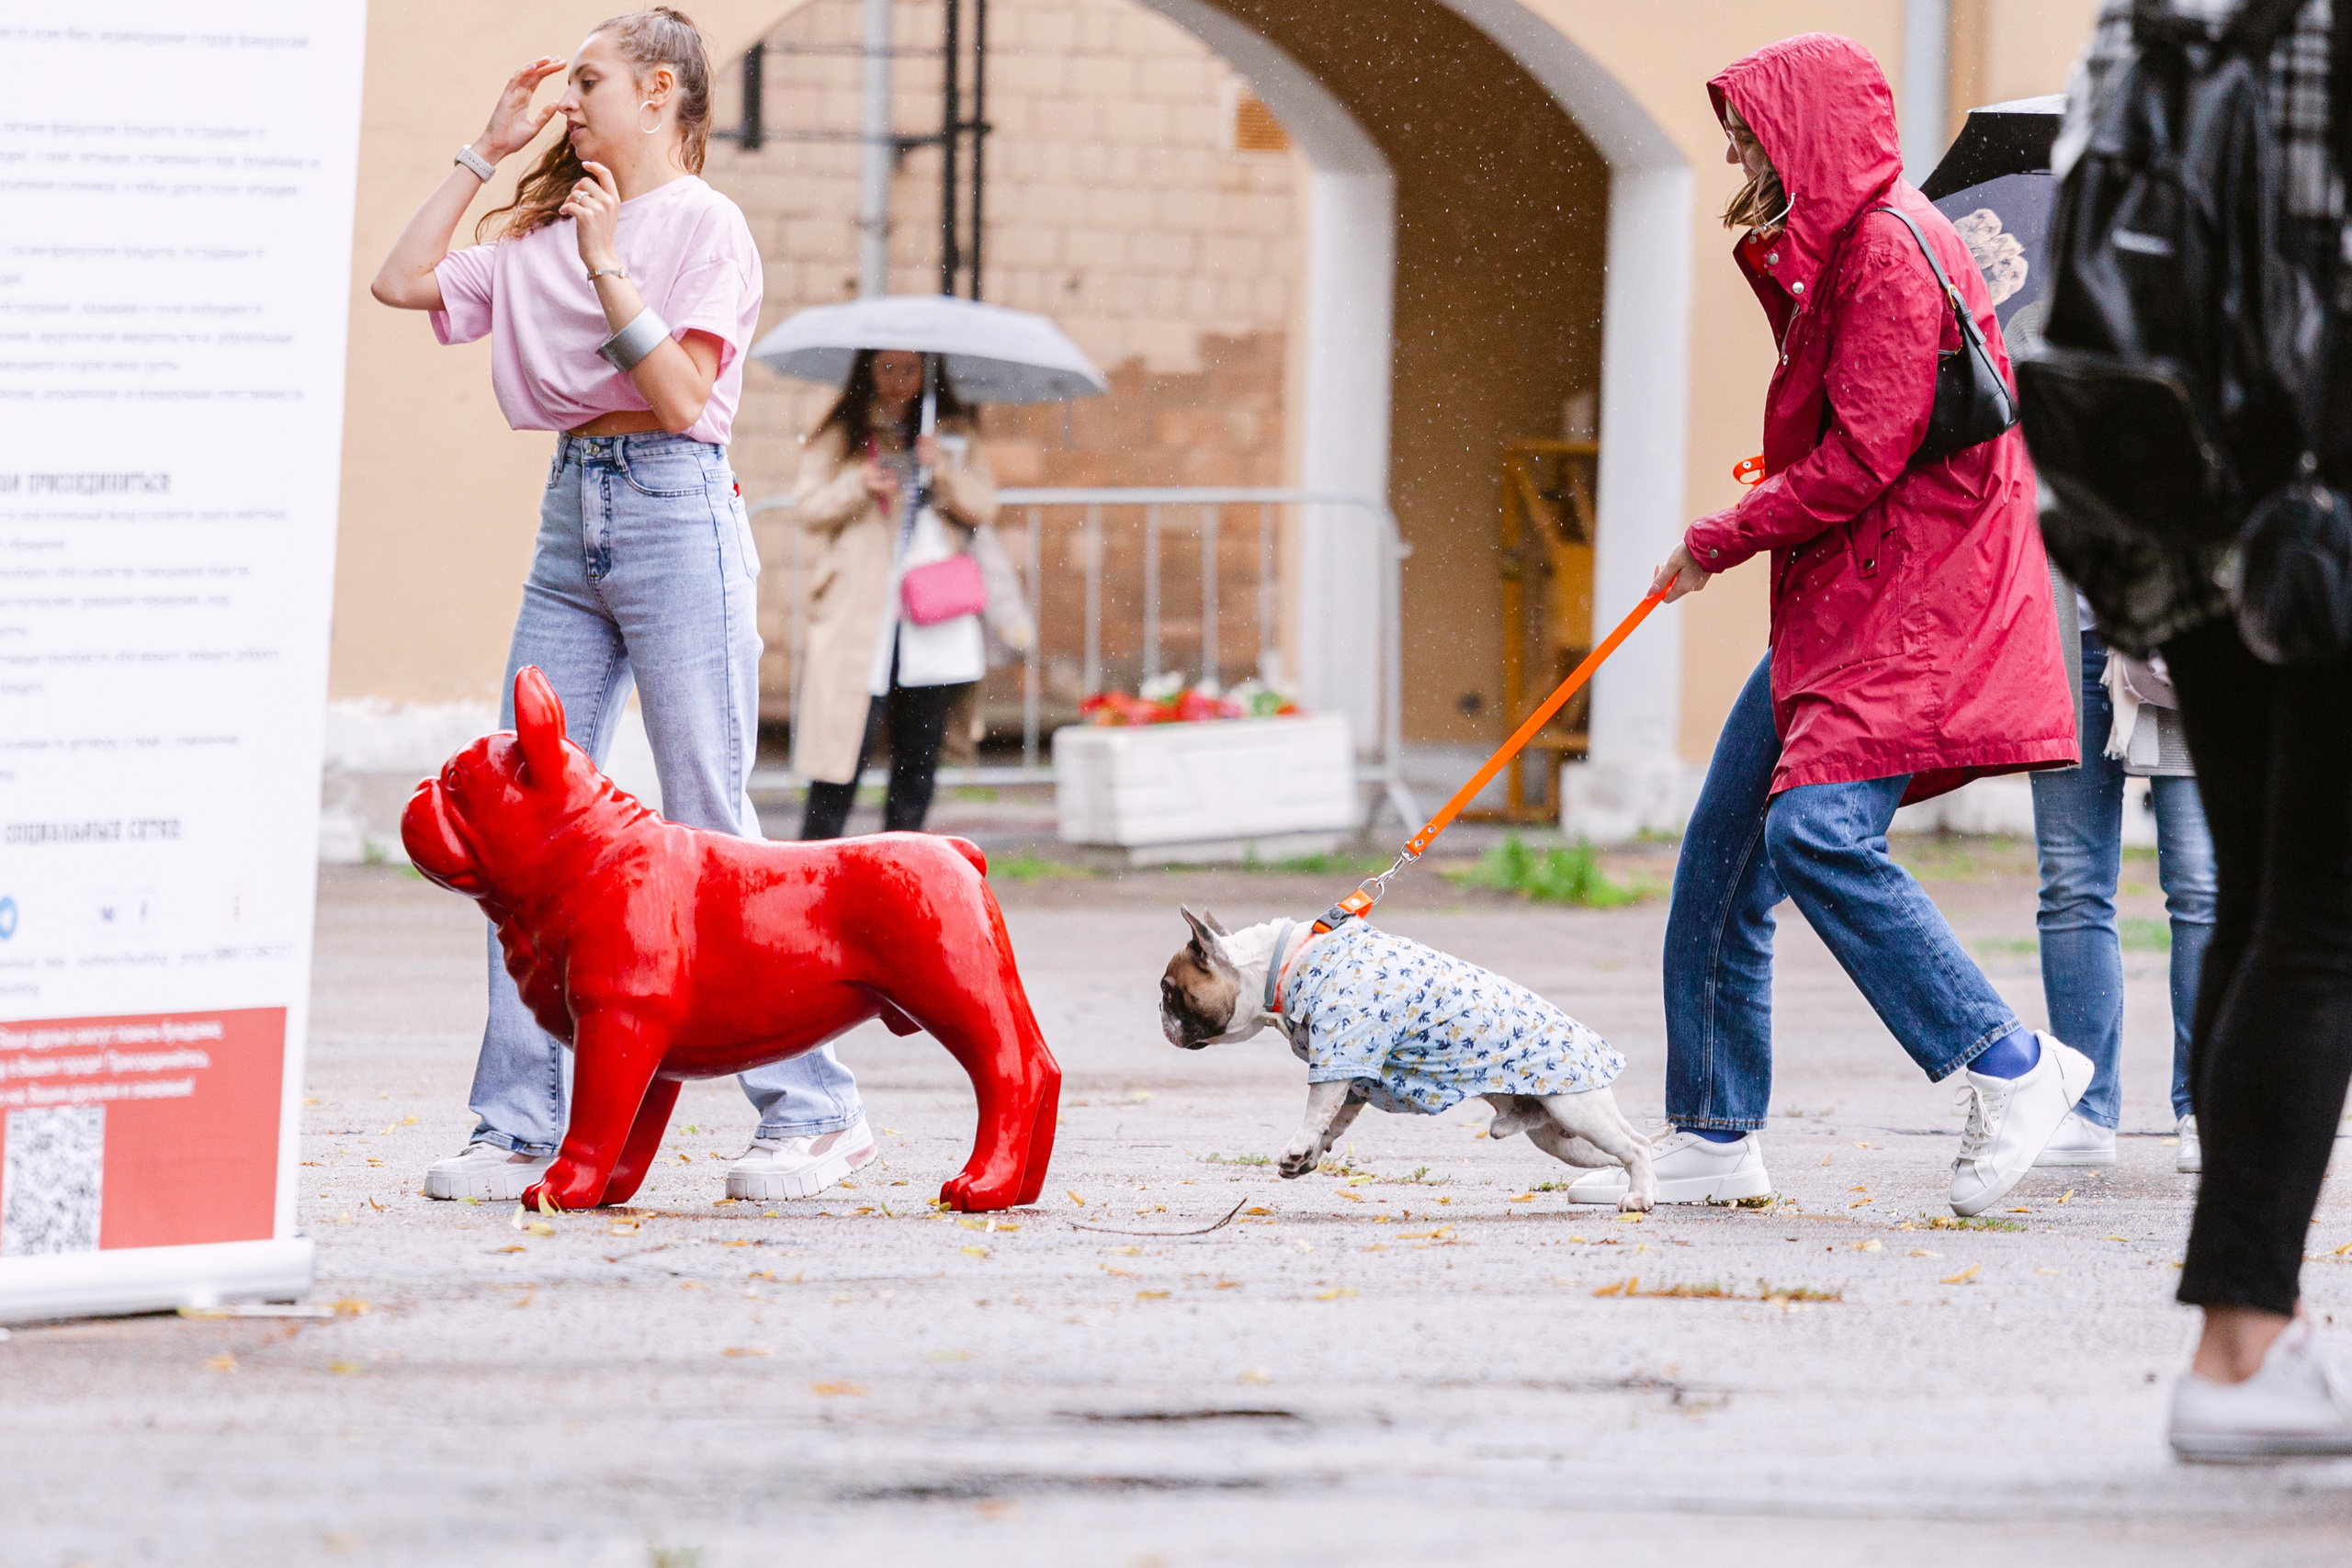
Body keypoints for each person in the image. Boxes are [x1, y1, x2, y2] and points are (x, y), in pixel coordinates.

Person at [1565, 33, 2083, 1216]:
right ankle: (1713, 1135)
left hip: (1915, 598)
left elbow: (1863, 457)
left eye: (1748, 133)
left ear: (1803, 133)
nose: (1736, 155)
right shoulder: (1851, 244)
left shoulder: (1889, 249)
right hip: (1856, 591)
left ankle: (2010, 1063)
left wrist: (1720, 535)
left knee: (1817, 834)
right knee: (1721, 861)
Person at [368, 9, 873, 1205]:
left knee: (711, 813)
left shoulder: (703, 225)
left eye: (588, 78)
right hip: (573, 511)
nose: (568, 98)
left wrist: (607, 267)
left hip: (675, 504)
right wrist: (484, 152)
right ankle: (515, 1126)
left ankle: (818, 1112)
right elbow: (400, 281)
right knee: (516, 812)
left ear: (658, 93)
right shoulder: (547, 229)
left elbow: (687, 394)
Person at [2055, 0, 2352, 1461]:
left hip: (2182, 497)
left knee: (2266, 903)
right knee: (2319, 920)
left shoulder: (2156, 12)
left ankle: (2256, 1329)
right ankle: (2239, 1347)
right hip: (2329, 502)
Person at [2029, 576, 2214, 1171]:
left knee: (2200, 884)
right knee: (2069, 883)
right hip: (2060, 641)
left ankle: (2207, 1107)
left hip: (2173, 639)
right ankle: (2086, 1109)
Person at [789, 348, 1009, 839]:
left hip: (933, 612)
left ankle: (902, 857)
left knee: (919, 752)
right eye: (887, 367)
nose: (898, 380)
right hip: (863, 608)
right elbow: (808, 507)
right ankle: (816, 856)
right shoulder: (845, 432)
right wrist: (857, 484)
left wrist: (941, 468)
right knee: (844, 746)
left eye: (910, 369)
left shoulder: (951, 433)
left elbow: (983, 505)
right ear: (867, 369)